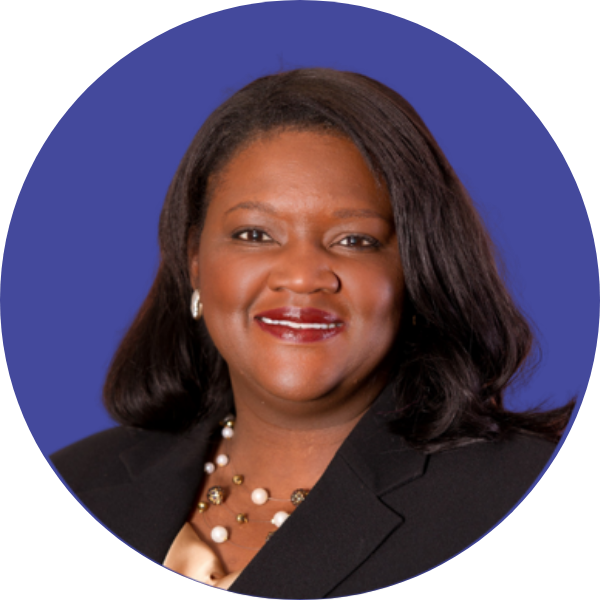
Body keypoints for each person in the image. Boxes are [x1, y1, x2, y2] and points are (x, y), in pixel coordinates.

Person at [50, 68, 574, 597]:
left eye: (355, 240)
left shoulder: (515, 492)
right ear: (194, 263)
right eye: (255, 234)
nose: (302, 277)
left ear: (418, 270)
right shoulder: (78, 481)